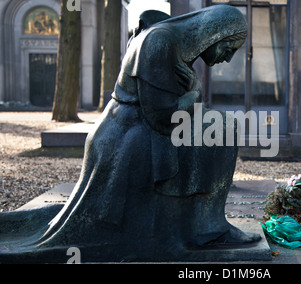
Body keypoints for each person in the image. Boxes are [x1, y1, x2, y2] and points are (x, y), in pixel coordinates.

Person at [0, 5, 259, 263]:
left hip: (139, 130)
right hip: (130, 139)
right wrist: (194, 93)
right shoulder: (160, 41)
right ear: (216, 34)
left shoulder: (172, 40)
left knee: (223, 126)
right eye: (230, 48)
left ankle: (207, 224)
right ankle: (207, 228)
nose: (228, 57)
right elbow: (163, 118)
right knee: (224, 129)